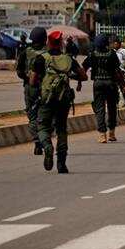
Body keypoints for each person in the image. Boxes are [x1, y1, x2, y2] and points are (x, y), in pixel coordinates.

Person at [31, 31, 87, 173]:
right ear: (61, 43)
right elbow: (84, 76)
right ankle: (62, 164)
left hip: (46, 100)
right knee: (61, 129)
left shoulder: (41, 58)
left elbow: (32, 81)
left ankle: (48, 147)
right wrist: (69, 75)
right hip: (63, 100)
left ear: (48, 43)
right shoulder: (68, 59)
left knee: (43, 127)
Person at [83, 34, 125, 143]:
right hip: (111, 84)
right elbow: (117, 71)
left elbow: (83, 68)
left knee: (100, 109)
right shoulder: (112, 54)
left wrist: (80, 82)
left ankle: (102, 134)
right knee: (112, 108)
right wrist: (123, 86)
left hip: (98, 84)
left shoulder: (92, 54)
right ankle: (112, 133)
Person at [15, 26, 47, 155]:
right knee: (45, 115)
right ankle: (45, 140)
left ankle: (37, 143)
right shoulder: (48, 53)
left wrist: (28, 78)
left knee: (32, 115)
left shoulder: (25, 52)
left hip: (30, 88)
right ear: (45, 39)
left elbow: (19, 71)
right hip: (45, 87)